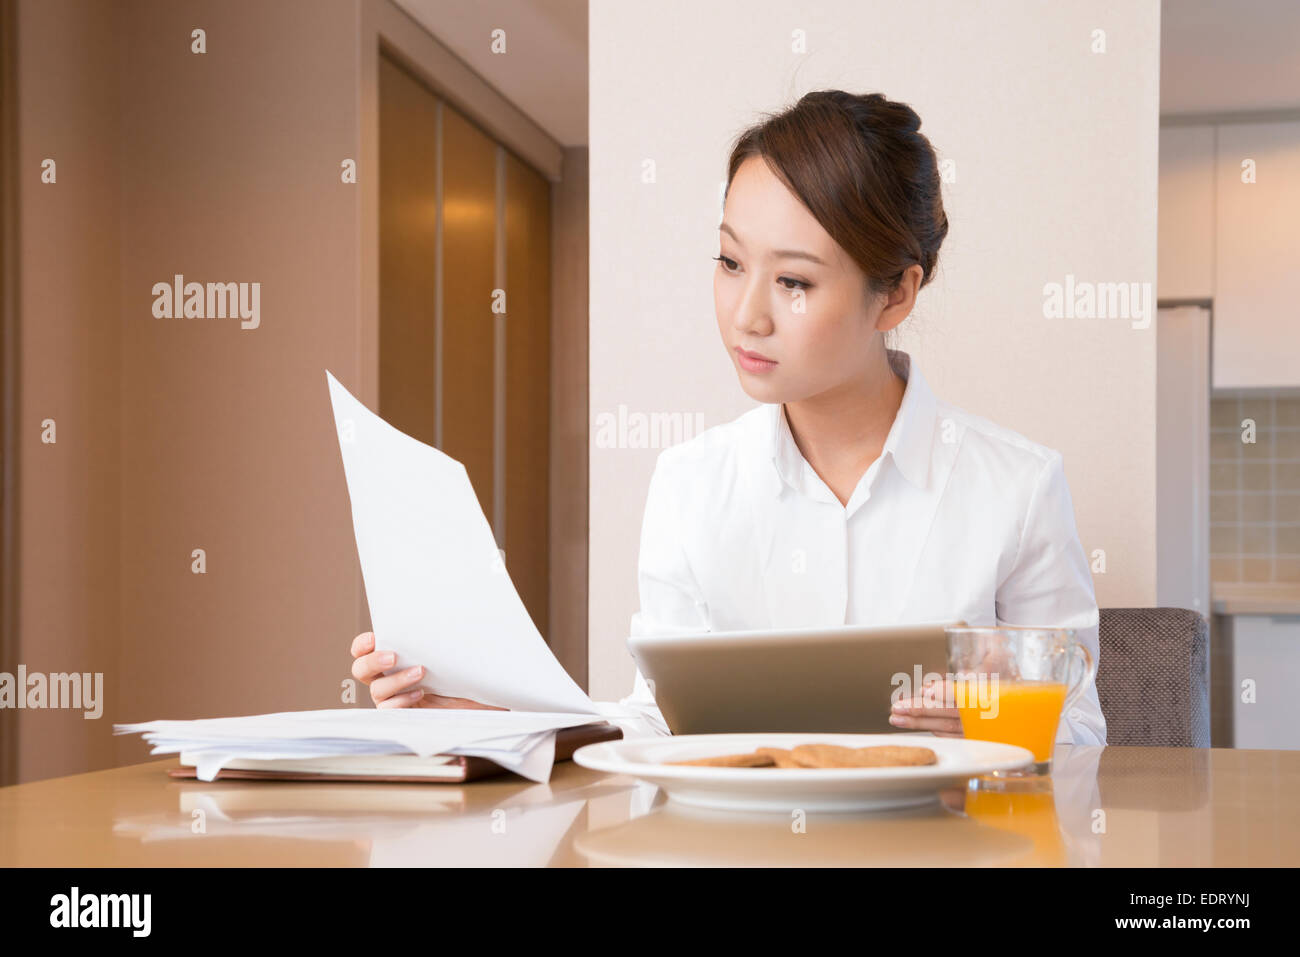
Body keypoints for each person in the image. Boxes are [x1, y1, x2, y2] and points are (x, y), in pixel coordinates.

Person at [351, 89, 1107, 747]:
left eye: (793, 281)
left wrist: (993, 724)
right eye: (730, 262)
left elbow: (1082, 730)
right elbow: (659, 723)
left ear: (897, 294)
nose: (747, 315)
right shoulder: (691, 484)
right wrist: (483, 715)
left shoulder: (1018, 487)